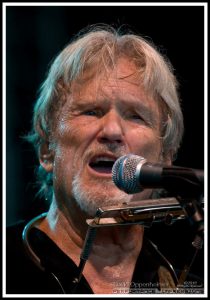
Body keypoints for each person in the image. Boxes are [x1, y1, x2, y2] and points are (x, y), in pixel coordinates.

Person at [6, 24, 203, 294]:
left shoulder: (190, 285)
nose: (112, 131)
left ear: (165, 160)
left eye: (136, 116)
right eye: (91, 111)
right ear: (46, 150)